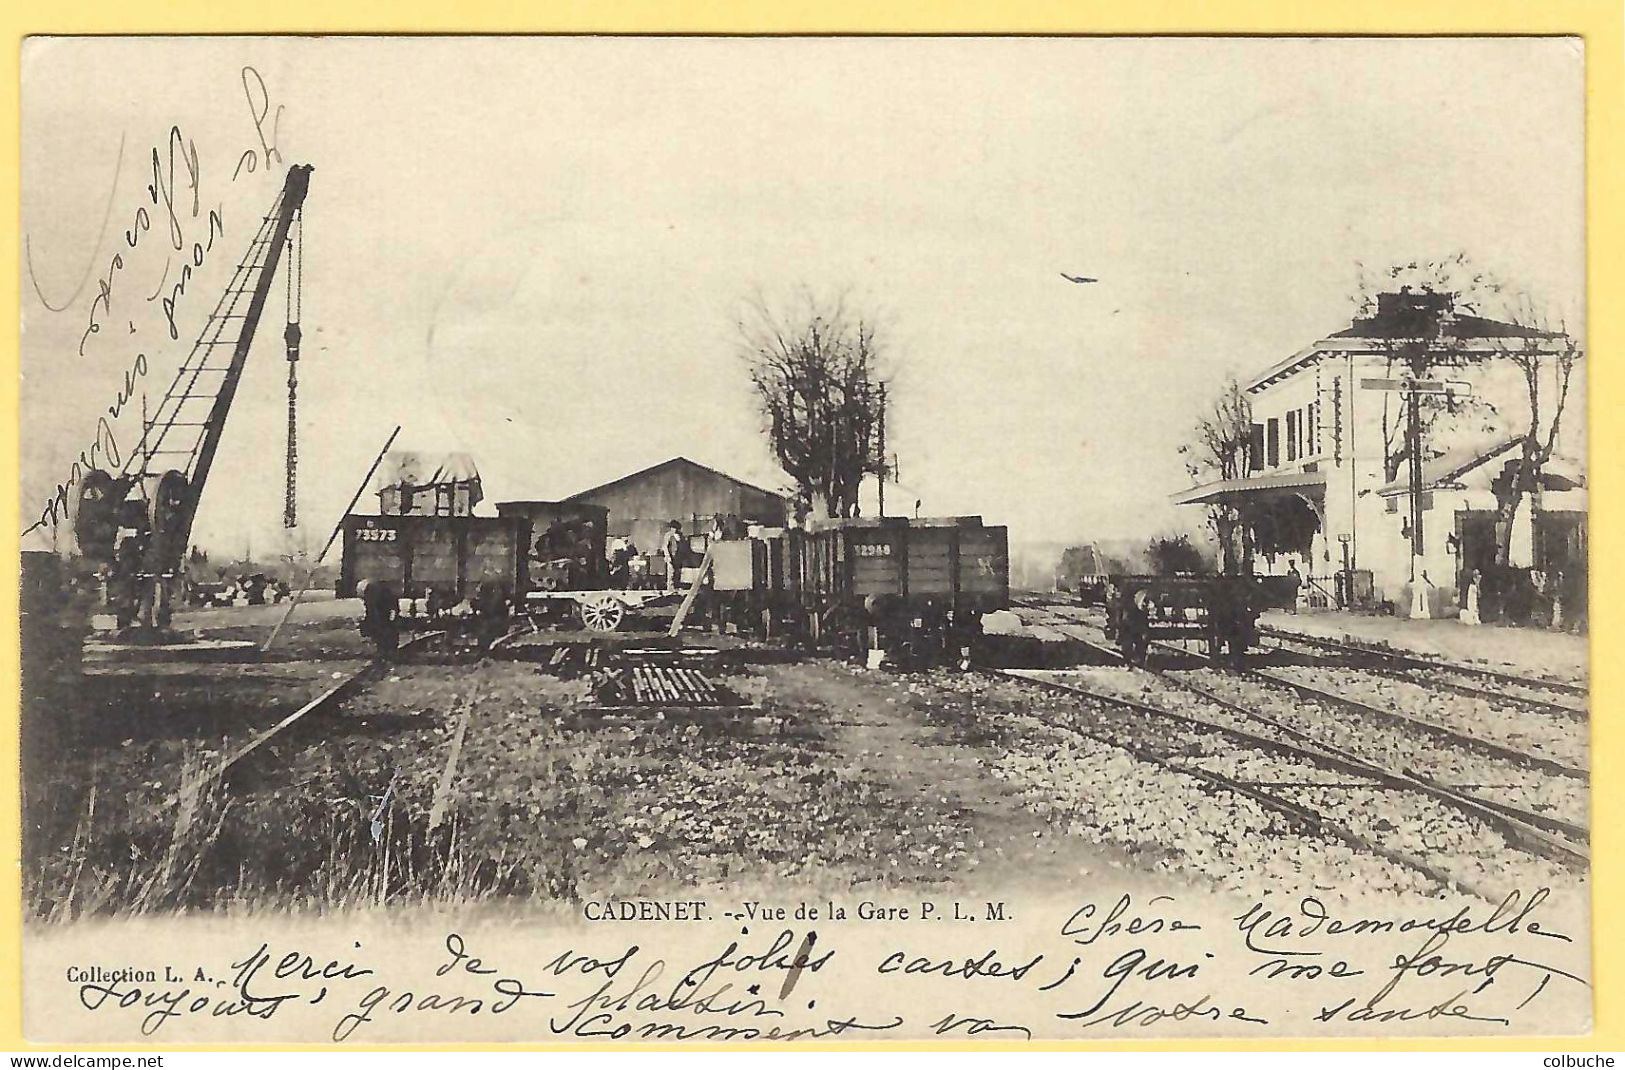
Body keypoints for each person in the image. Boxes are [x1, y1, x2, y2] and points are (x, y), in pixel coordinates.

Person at [661, 520, 685, 592]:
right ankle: (670, 587)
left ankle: (676, 586)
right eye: (673, 528)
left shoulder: (679, 535)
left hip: (678, 557)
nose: (674, 529)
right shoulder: (668, 535)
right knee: (671, 572)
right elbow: (665, 546)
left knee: (677, 572)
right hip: (670, 556)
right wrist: (667, 556)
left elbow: (682, 546)